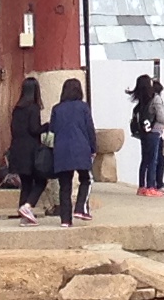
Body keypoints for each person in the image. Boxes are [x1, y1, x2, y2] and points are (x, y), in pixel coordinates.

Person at [47, 77, 97, 228]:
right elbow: (90, 129)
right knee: (86, 179)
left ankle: (65, 220)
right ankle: (81, 207)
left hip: (61, 150)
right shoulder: (83, 107)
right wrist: (93, 149)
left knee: (65, 186)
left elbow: (52, 131)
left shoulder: (57, 108)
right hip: (81, 148)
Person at [8, 75, 49, 225]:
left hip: (17, 149)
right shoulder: (34, 108)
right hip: (30, 151)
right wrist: (47, 126)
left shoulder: (17, 109)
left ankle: (24, 216)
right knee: (40, 181)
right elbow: (34, 129)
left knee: (25, 184)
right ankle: (28, 206)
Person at [128, 71, 164, 196]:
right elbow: (161, 117)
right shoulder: (154, 99)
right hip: (154, 132)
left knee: (145, 160)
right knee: (153, 160)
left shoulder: (141, 102)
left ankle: (142, 186)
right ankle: (151, 187)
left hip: (143, 133)